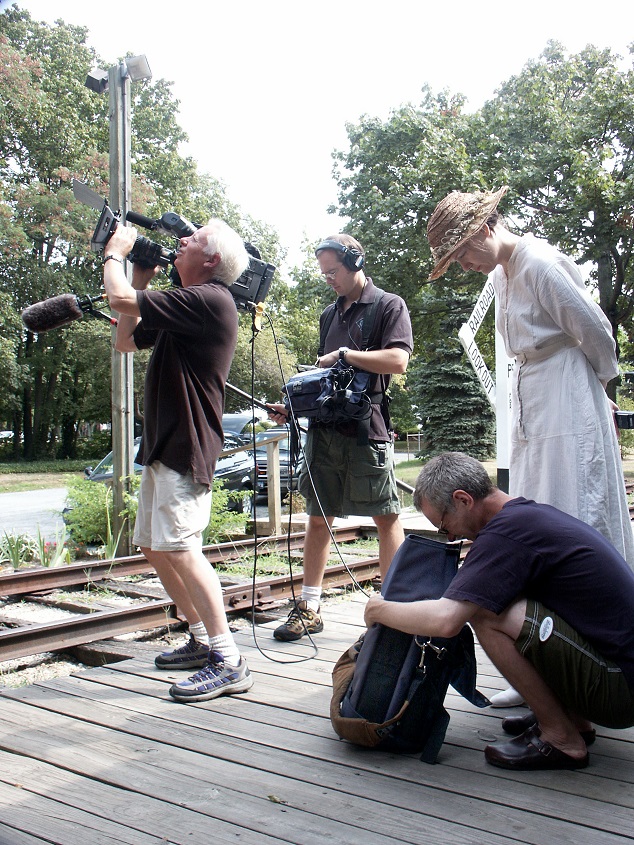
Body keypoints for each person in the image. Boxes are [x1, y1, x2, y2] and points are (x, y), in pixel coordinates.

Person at [427, 186, 634, 706]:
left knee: (574, 510)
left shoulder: (538, 263)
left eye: (463, 253)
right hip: (533, 400)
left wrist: (596, 396)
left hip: (566, 396)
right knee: (533, 514)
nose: (465, 266)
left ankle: (586, 656)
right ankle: (541, 656)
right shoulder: (501, 274)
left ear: (485, 228)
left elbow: (598, 336)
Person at [365, 452, 634, 771]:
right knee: (497, 598)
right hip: (617, 673)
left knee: (484, 613)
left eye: (443, 524)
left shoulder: (505, 533)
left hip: (620, 689)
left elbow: (446, 620)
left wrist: (379, 609)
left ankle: (561, 738)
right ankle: (573, 721)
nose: (448, 536)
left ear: (463, 499)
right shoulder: (522, 516)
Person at [102, 218, 254, 703]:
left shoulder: (211, 300)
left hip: (188, 444)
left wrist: (116, 256)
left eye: (192, 239)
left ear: (210, 260)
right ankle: (200, 637)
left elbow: (117, 300)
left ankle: (228, 659)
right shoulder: (182, 305)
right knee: (154, 545)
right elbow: (125, 338)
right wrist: (140, 276)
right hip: (164, 443)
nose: (180, 242)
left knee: (183, 548)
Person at [267, 234, 413, 641]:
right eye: (323, 273)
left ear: (355, 261)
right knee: (318, 516)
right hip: (324, 431)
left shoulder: (388, 305)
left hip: (367, 430)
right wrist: (295, 407)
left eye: (333, 271)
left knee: (386, 516)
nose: (328, 279)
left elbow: (398, 360)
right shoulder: (328, 315)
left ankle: (393, 610)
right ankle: (309, 607)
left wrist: (344, 355)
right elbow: (327, 381)